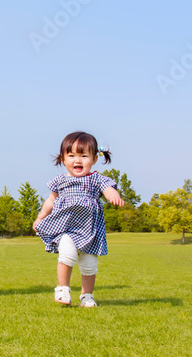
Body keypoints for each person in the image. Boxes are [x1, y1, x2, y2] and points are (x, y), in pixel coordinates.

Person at [33, 131, 124, 307]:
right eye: (72, 155)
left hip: (90, 231)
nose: (78, 160)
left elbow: (108, 187)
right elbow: (50, 201)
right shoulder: (60, 181)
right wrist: (40, 218)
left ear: (94, 159)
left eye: (84, 156)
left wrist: (113, 194)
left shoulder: (95, 179)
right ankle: (63, 289)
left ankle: (87, 296)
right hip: (66, 228)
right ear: (63, 159)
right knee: (67, 255)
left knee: (89, 265)